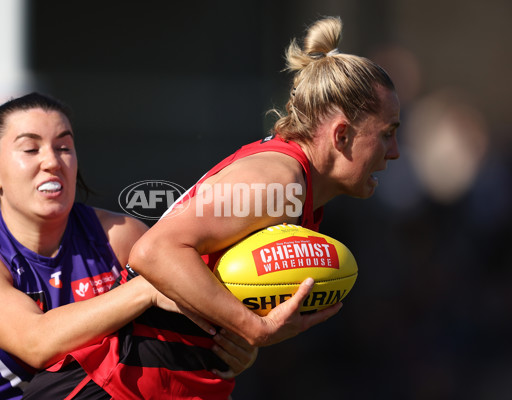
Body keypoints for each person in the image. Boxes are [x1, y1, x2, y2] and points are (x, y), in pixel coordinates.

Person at [22, 15, 400, 400]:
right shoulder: (278, 179)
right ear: (341, 134)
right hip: (113, 381)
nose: (396, 152)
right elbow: (154, 252)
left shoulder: (295, 186)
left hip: (168, 382)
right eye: (387, 134)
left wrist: (237, 339)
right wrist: (254, 328)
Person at [0, 92, 257, 400]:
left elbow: (185, 335)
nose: (52, 161)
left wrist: (232, 351)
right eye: (30, 149)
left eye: (64, 147)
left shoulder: (119, 237)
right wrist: (146, 289)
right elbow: (36, 343)